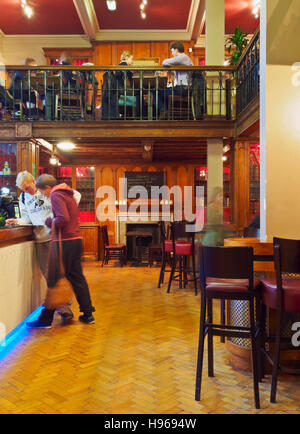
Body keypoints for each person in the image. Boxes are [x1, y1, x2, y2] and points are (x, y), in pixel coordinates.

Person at [6, 171, 81, 323]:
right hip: (40, 239)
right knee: (49, 276)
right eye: (23, 189)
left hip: (55, 237)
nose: (26, 191)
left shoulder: (48, 191)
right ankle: (60, 309)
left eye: (27, 187)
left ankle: (63, 309)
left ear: (33, 181)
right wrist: (18, 221)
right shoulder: (23, 198)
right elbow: (27, 218)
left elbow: (77, 195)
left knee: (57, 274)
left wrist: (61, 215)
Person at [26, 174, 95, 329]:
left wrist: (49, 221)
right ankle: (88, 313)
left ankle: (45, 320)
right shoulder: (67, 194)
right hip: (75, 240)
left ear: (48, 188)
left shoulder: (56, 195)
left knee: (53, 279)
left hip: (64, 243)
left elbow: (62, 219)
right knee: (77, 277)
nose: (44, 195)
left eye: (43, 191)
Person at [156, 41, 193, 119]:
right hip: (182, 87)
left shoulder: (183, 57)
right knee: (159, 91)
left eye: (172, 51)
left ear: (176, 50)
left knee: (156, 92)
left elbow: (164, 62)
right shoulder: (183, 58)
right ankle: (165, 112)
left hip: (184, 88)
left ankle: (164, 111)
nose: (172, 53)